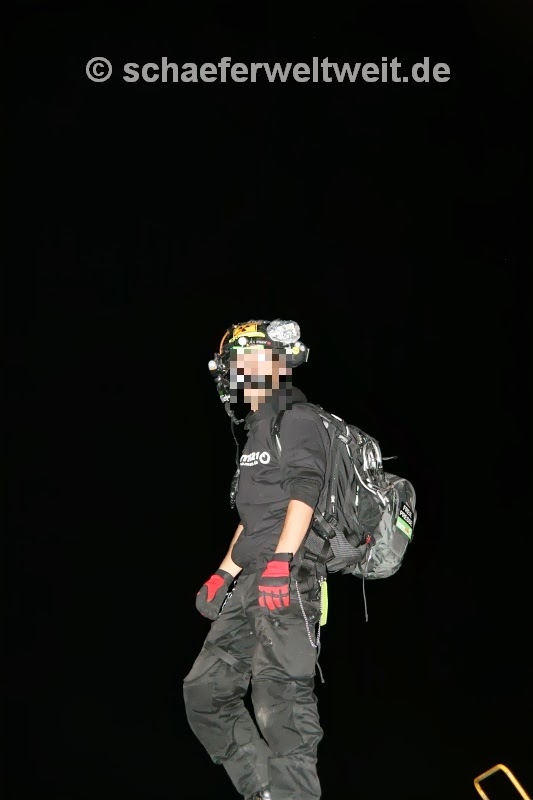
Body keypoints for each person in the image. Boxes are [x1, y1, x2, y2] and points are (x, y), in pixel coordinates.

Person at [183, 319, 331, 800]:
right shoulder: (257, 434)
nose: (237, 376)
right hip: (250, 580)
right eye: (233, 368)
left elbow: (305, 492)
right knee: (205, 693)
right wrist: (222, 574)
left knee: (279, 700)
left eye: (244, 364)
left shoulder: (298, 419)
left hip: (288, 576)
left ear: (275, 366)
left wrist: (282, 562)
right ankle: (267, 792)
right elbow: (253, 518)